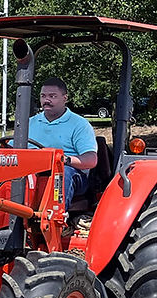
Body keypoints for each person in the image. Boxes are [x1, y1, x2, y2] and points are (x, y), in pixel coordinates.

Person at [28, 77, 98, 209]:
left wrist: (63, 160)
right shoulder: (29, 123)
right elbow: (9, 149)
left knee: (61, 175)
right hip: (32, 172)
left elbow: (91, 159)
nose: (46, 100)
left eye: (52, 96)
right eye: (43, 96)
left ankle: (55, 221)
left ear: (65, 98)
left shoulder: (79, 124)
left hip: (68, 173)